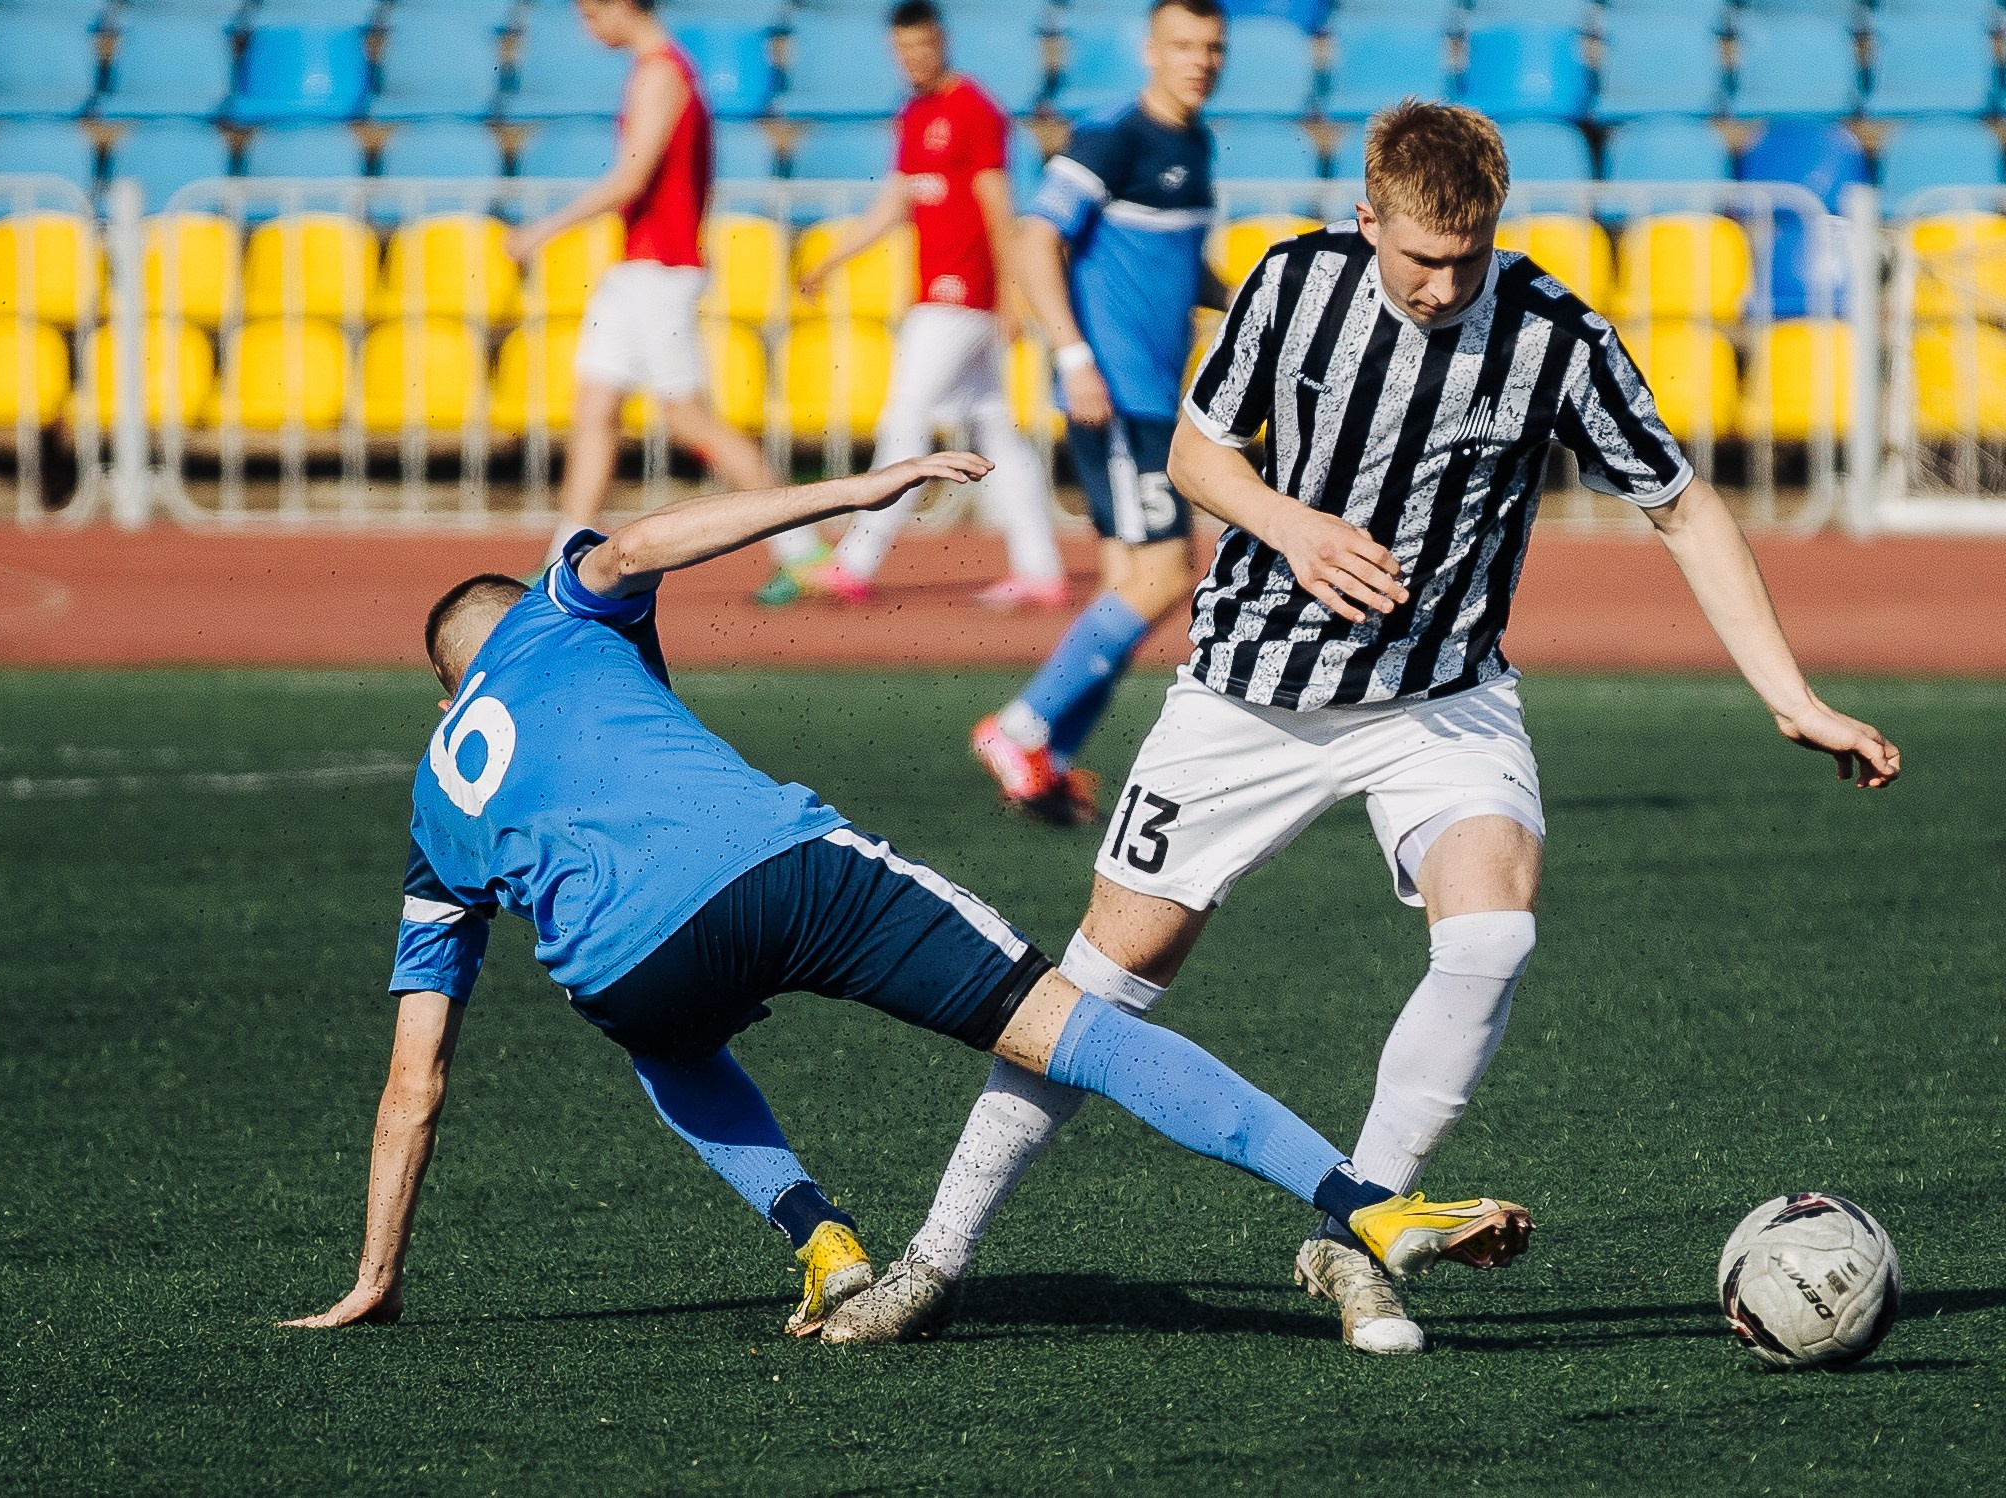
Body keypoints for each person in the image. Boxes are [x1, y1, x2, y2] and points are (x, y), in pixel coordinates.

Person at [826, 103, 1902, 1354]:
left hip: (1441, 697)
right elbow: (1198, 456)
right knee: (1104, 981)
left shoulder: (1555, 334)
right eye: (1420, 260)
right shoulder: (1293, 286)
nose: (1445, 286)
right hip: (1246, 694)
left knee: (1493, 929)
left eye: (1469, 257)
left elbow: (1685, 506)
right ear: (1367, 221)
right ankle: (936, 1254)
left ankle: (1357, 1231)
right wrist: (1293, 526)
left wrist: (1791, 695)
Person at [279, 451, 1532, 1343]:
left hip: (629, 970)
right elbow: (641, 544)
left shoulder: (433, 813)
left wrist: (378, 1272)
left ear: (445, 697)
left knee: (665, 1047)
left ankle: (820, 1238)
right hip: (783, 869)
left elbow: (413, 1082)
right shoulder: (557, 608)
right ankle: (1368, 1205)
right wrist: (855, 491)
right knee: (1074, 1024)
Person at [967, 0, 1229, 825]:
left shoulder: (1194, 142)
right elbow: (1032, 238)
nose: (1199, 60)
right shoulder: (1112, 137)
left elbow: (1179, 266)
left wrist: (1250, 303)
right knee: (1165, 575)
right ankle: (1020, 726)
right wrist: (1074, 356)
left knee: (1128, 585)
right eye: (1183, 45)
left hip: (1150, 397)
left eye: (1212, 47)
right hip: (1116, 395)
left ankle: (1048, 758)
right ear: (1150, 50)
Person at [502, 0, 826, 582]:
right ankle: (561, 558)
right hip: (637, 269)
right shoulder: (659, 70)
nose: (588, 29)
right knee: (596, 407)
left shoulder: (662, 73)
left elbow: (632, 178)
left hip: (659, 270)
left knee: (687, 419)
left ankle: (802, 550)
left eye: (592, 13)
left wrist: (542, 231)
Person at [761, 0, 1066, 612]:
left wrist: (1010, 291)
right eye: (902, 50)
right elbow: (895, 202)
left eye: (922, 46)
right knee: (996, 432)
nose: (913, 59)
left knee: (906, 414)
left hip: (963, 296)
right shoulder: (915, 112)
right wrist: (832, 257)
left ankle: (855, 561)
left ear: (941, 41)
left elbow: (996, 203)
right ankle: (1041, 569)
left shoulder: (974, 109)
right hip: (939, 296)